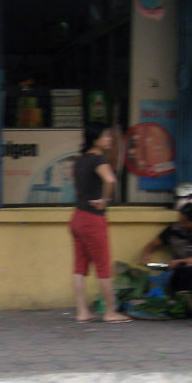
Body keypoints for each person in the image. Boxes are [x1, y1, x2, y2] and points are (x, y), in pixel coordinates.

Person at [70, 123, 131, 323]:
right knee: (103, 266)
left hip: (77, 217)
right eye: (106, 136)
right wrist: (104, 200)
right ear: (95, 139)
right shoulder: (98, 160)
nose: (109, 139)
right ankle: (110, 312)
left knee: (80, 266)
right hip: (93, 219)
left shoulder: (79, 161)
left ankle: (82, 312)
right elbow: (110, 180)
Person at [139, 182, 192, 295]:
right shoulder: (173, 230)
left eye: (184, 222)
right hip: (179, 274)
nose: (181, 224)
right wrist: (147, 254)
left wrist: (179, 261)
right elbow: (154, 243)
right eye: (180, 221)